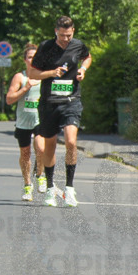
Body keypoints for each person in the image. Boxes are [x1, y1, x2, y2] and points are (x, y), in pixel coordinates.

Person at [28, 15, 91, 207]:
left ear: (73, 32)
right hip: (49, 102)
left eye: (69, 35)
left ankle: (70, 189)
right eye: (62, 35)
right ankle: (49, 187)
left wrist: (83, 69)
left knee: (71, 141)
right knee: (50, 144)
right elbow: (32, 73)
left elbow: (87, 57)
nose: (66, 39)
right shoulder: (46, 47)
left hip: (71, 101)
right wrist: (51, 73)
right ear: (56, 31)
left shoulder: (78, 45)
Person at [6, 43, 46, 201]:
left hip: (39, 120)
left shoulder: (45, 76)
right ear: (25, 60)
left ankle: (40, 175)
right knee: (25, 154)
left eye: (35, 57)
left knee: (41, 148)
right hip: (23, 122)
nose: (33, 60)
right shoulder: (20, 77)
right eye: (30, 57)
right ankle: (27, 185)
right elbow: (9, 99)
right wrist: (25, 88)